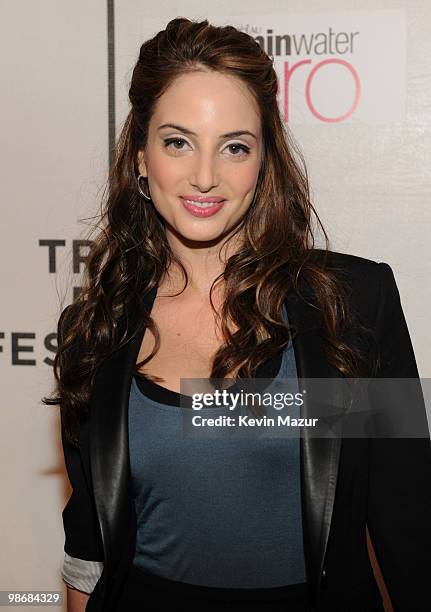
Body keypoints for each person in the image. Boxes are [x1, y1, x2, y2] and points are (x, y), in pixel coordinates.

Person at [44, 17, 431, 612]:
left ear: (263, 161)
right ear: (141, 157)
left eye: (234, 146)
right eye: (178, 141)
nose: (205, 176)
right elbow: (89, 549)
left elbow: (410, 527)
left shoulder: (354, 300)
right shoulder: (96, 329)